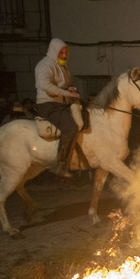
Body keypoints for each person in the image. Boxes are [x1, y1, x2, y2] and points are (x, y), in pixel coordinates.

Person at [34, 38, 81, 177]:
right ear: (54, 51)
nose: (65, 56)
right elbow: (46, 86)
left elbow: (65, 84)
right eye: (61, 53)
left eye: (66, 53)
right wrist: (67, 92)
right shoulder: (44, 66)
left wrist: (70, 88)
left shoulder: (63, 67)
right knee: (71, 128)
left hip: (61, 103)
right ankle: (60, 164)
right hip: (48, 104)